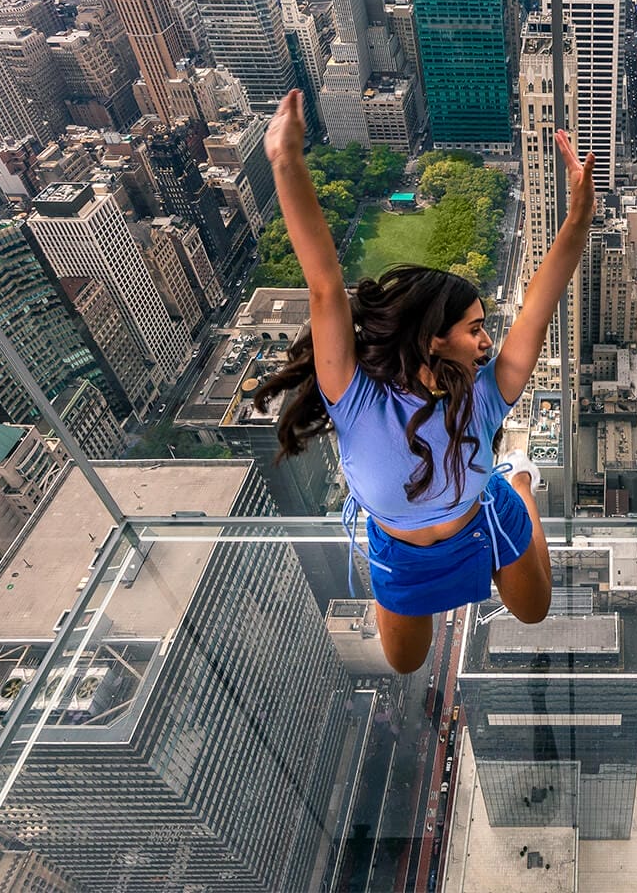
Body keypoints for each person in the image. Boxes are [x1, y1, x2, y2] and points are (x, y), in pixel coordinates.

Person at [253, 90, 598, 672]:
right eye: (475, 329)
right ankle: (508, 482)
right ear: (434, 336)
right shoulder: (356, 400)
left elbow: (540, 305)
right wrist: (287, 161)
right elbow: (326, 287)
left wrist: (579, 217)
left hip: (483, 519)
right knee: (406, 661)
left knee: (535, 611)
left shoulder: (484, 398)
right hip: (401, 550)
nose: (489, 342)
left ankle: (519, 487)